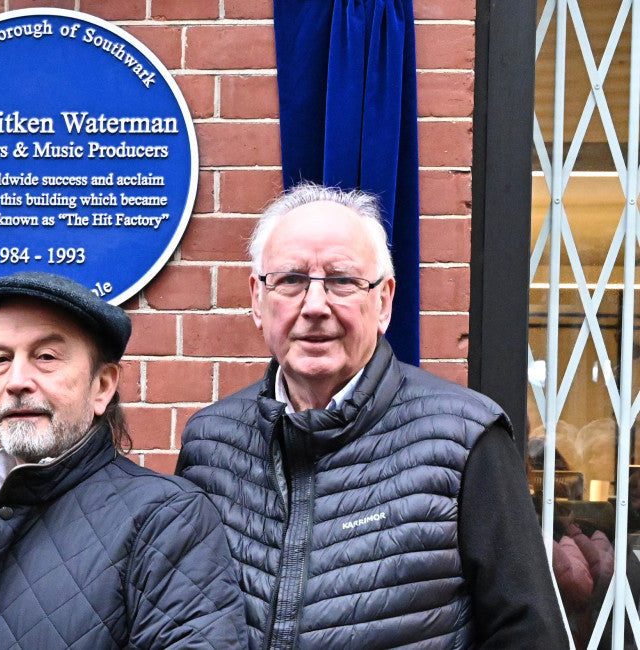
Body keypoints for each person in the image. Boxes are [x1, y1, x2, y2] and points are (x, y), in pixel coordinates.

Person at [175, 182, 569, 649]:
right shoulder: (210, 445)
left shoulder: (465, 441)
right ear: (257, 300)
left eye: (342, 280)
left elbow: (529, 635)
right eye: (291, 280)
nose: (315, 307)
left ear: (383, 301)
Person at [0, 271, 247, 649]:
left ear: (101, 387)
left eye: (46, 357)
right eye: (0, 359)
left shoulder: (166, 521)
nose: (17, 380)